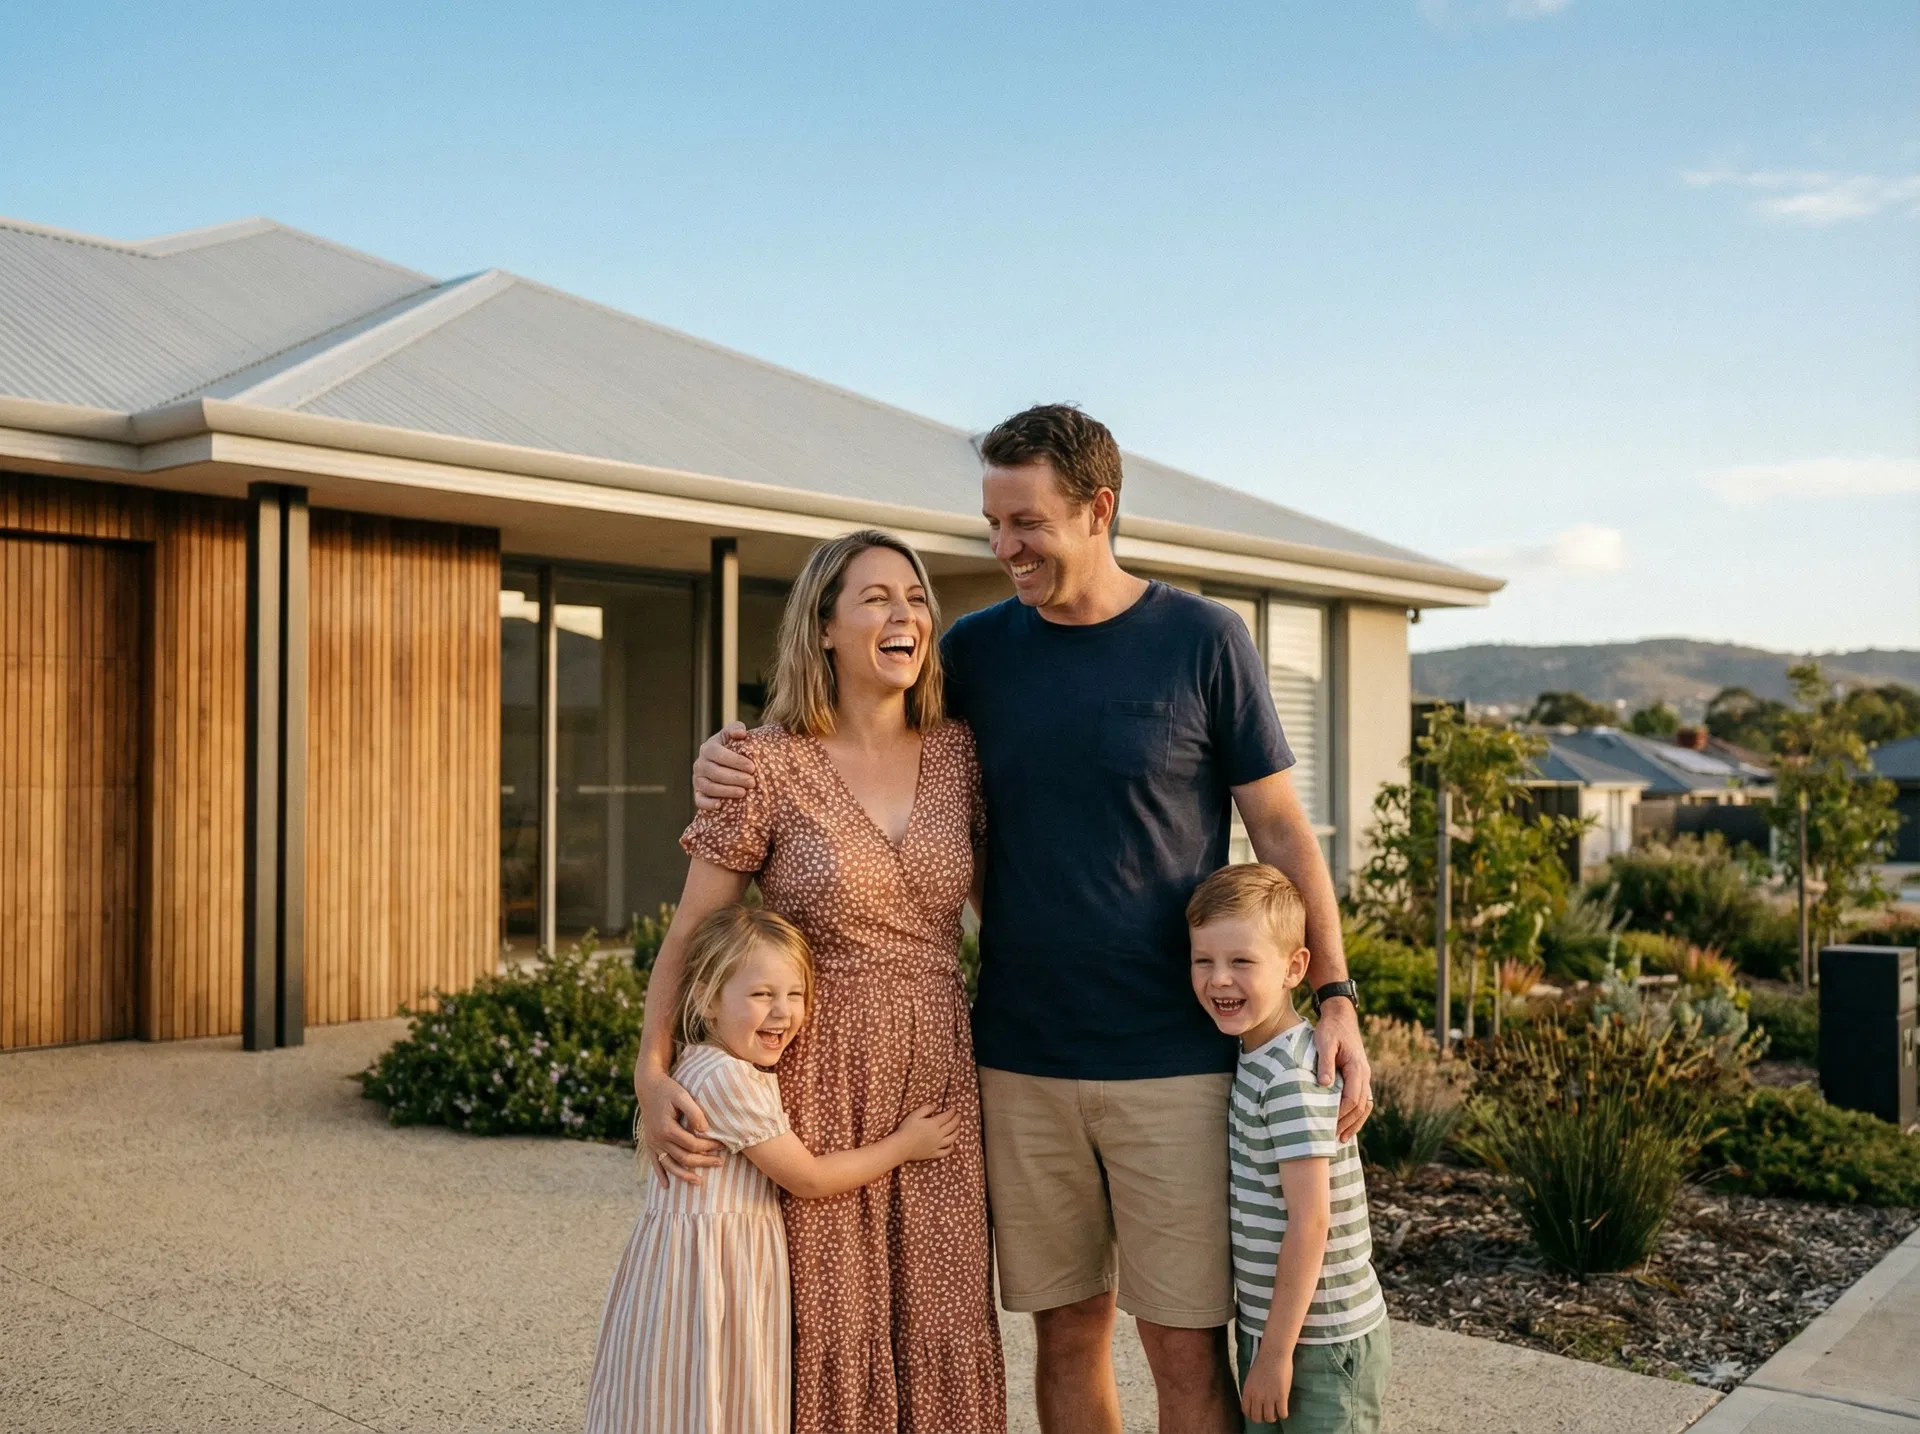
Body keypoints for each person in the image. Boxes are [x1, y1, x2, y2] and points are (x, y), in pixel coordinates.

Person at [690, 405, 1373, 1434]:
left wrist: (1335, 995)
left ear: (1098, 510)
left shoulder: (1203, 642)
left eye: (1026, 523)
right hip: (1018, 1061)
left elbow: (1280, 829)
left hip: (1173, 1061)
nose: (1003, 547)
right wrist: (732, 754)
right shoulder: (976, 654)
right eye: (991, 523)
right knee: (1066, 1333)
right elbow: (861, 729)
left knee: (1184, 1345)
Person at [634, 531, 1007, 1434]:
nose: (904, 615)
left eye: (916, 598)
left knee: (945, 1310)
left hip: (936, 1070)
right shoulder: (762, 763)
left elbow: (1008, 912)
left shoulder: (962, 754)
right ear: (826, 628)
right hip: (814, 1069)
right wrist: (653, 1071)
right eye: (875, 597)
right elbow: (694, 932)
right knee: (830, 1316)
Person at [586, 903, 960, 1434]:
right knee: (716, 1390)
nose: (783, 1012)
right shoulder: (727, 1079)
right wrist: (903, 1145)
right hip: (715, 1269)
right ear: (708, 1001)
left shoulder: (700, 1063)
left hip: (700, 1261)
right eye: (762, 995)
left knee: (679, 1393)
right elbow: (807, 1178)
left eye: (795, 994)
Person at [1187, 865, 1390, 1433]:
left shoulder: (1293, 1076)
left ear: (1296, 968)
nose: (1219, 979)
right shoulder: (1256, 1057)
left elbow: (1311, 1223)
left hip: (1323, 1340)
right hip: (1276, 1328)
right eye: (1204, 961)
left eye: (1242, 962)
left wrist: (1276, 1356)